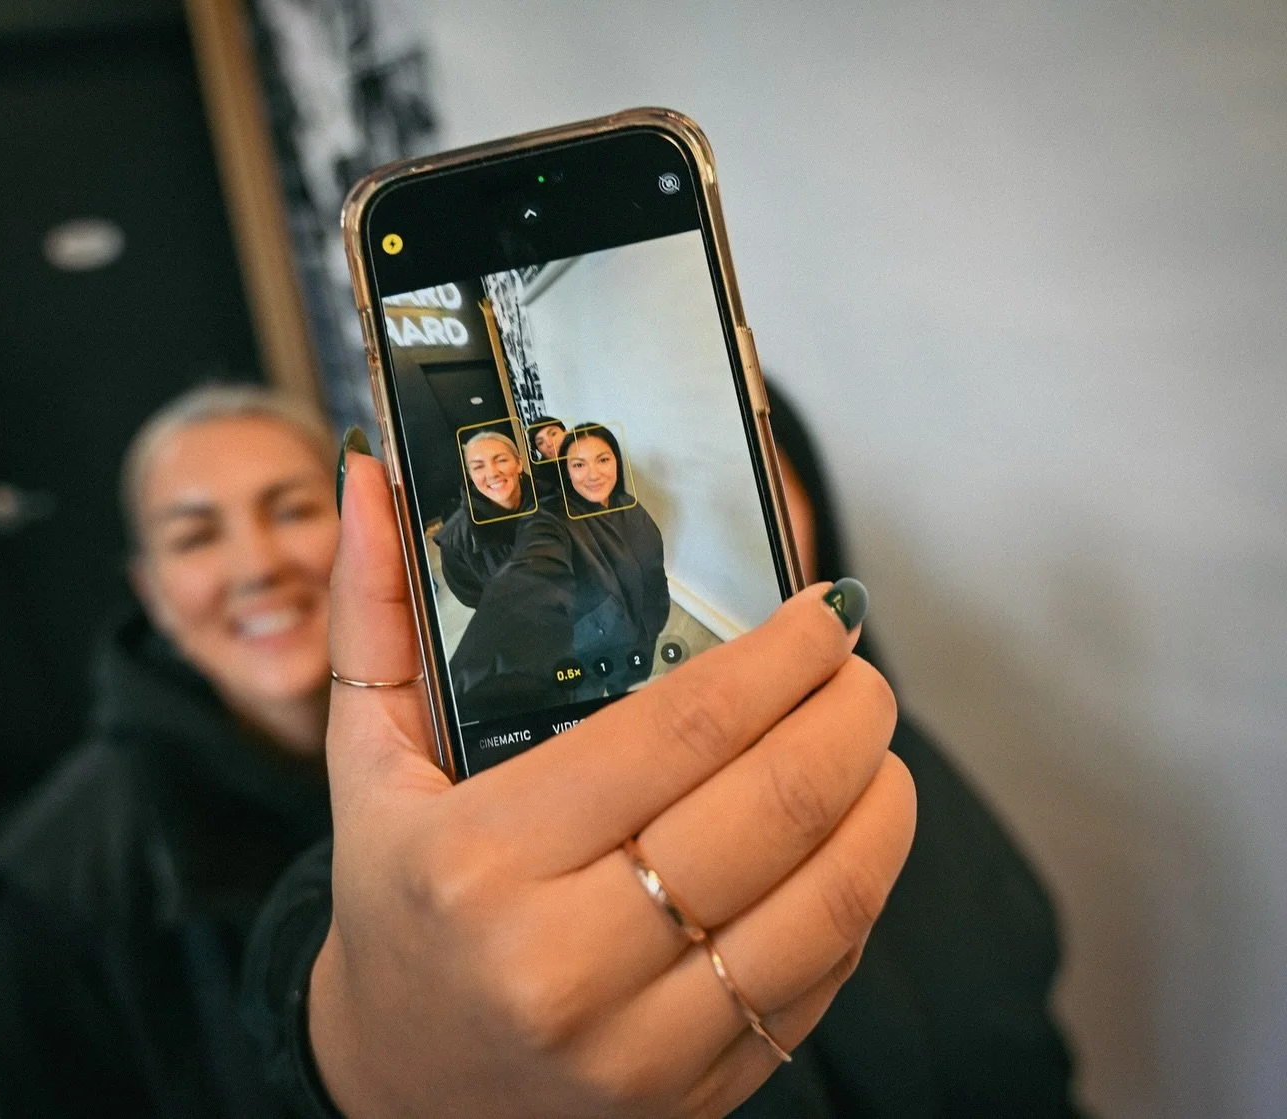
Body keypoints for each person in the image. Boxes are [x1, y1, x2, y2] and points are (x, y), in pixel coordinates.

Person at [241, 391, 1083, 1118]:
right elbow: (333, 949)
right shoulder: (483, 818)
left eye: (765, 470)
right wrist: (367, 1062)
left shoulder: (892, 735)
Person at [0, 384, 344, 1117]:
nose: (257, 565)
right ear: (151, 591)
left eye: (292, 511)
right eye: (196, 537)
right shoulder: (52, 885)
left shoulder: (477, 748)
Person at [447, 423, 671, 718]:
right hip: (574, 644)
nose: (592, 474)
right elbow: (505, 585)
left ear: (519, 463)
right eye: (579, 464)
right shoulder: (551, 514)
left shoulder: (625, 506)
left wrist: (653, 620)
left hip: (634, 638)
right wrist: (479, 673)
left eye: (603, 459)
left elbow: (651, 571)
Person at [433, 428, 537, 609]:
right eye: (478, 467)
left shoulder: (554, 498)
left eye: (501, 460)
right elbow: (472, 596)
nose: (492, 473)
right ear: (471, 476)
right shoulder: (454, 539)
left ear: (519, 463)